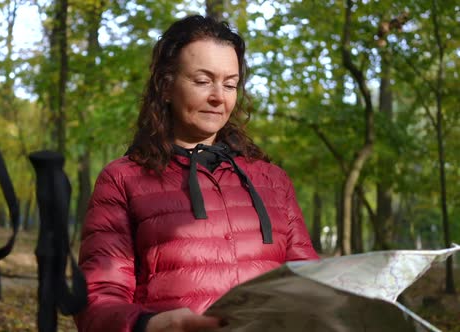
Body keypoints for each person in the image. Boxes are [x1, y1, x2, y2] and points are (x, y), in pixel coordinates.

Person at [74, 15, 319, 332]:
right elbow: (96, 299)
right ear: (165, 86)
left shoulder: (273, 181)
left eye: (230, 84)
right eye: (203, 81)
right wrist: (153, 325)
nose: (219, 96)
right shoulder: (123, 179)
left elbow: (310, 285)